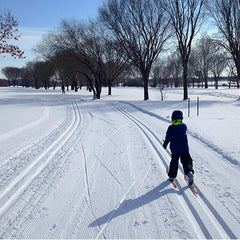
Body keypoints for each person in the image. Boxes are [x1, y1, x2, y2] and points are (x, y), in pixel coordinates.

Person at [163, 110, 194, 185]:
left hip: (175, 149)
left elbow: (168, 137)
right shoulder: (184, 126)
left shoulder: (171, 128)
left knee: (174, 162)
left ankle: (172, 176)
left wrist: (165, 143)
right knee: (186, 161)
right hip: (184, 148)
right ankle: (189, 172)